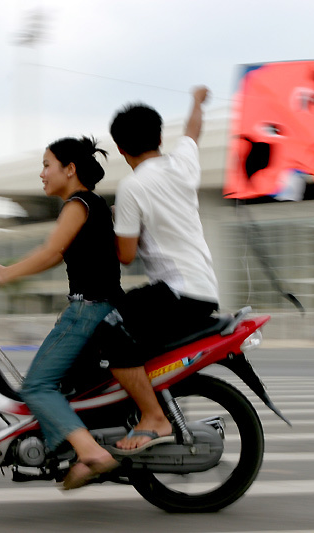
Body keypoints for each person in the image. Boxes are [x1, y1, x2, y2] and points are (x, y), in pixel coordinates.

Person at [0, 136, 122, 489]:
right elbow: (56, 254)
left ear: (69, 169)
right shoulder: (90, 204)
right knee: (58, 385)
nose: (41, 174)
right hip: (98, 308)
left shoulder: (78, 204)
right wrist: (6, 270)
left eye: (46, 165)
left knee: (37, 386)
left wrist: (2, 276)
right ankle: (65, 450)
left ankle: (91, 454)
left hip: (88, 310)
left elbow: (50, 251)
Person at [99, 86, 220, 451]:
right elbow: (193, 131)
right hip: (203, 290)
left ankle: (153, 416)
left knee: (106, 330)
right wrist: (196, 101)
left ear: (119, 148)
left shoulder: (132, 186)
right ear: (160, 137)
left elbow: (125, 255)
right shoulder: (182, 164)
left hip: (176, 292)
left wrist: (109, 227)